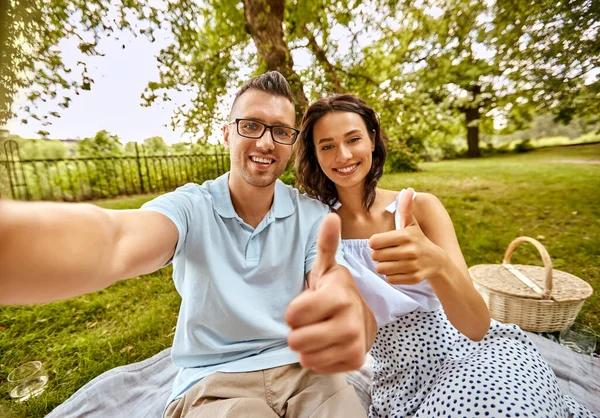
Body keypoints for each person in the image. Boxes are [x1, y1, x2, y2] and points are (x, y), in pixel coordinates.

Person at [0, 72, 377, 418]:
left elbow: (332, 278)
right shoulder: (190, 206)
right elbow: (115, 240)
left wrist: (347, 310)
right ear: (227, 133)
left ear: (292, 143)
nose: (266, 141)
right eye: (251, 126)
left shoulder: (312, 215)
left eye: (281, 131)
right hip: (214, 384)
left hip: (304, 373)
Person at [295, 93, 597, 418]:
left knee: (502, 408)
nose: (342, 155)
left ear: (371, 140)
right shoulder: (317, 228)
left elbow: (476, 326)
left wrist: (437, 265)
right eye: (326, 145)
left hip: (473, 354)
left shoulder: (420, 207)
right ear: (315, 155)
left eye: (353, 139)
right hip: (398, 384)